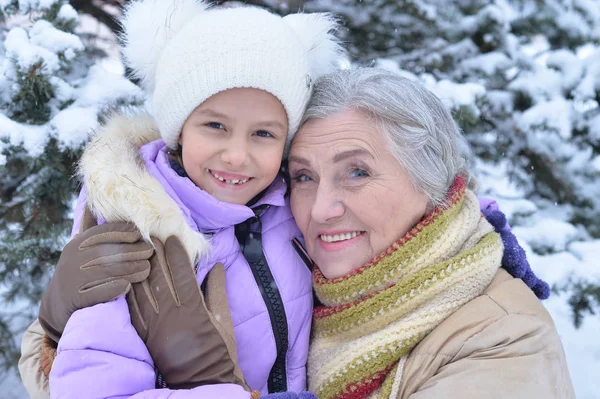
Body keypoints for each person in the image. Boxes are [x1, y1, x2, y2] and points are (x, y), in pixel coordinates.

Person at [18, 0, 345, 398]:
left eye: (264, 134)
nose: (237, 155)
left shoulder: (292, 211)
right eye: (215, 125)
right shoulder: (137, 230)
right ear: (178, 129)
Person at [287, 67, 574, 399]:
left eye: (356, 172)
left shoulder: (506, 338)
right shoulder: (297, 302)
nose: (321, 210)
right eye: (303, 176)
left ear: (429, 181)